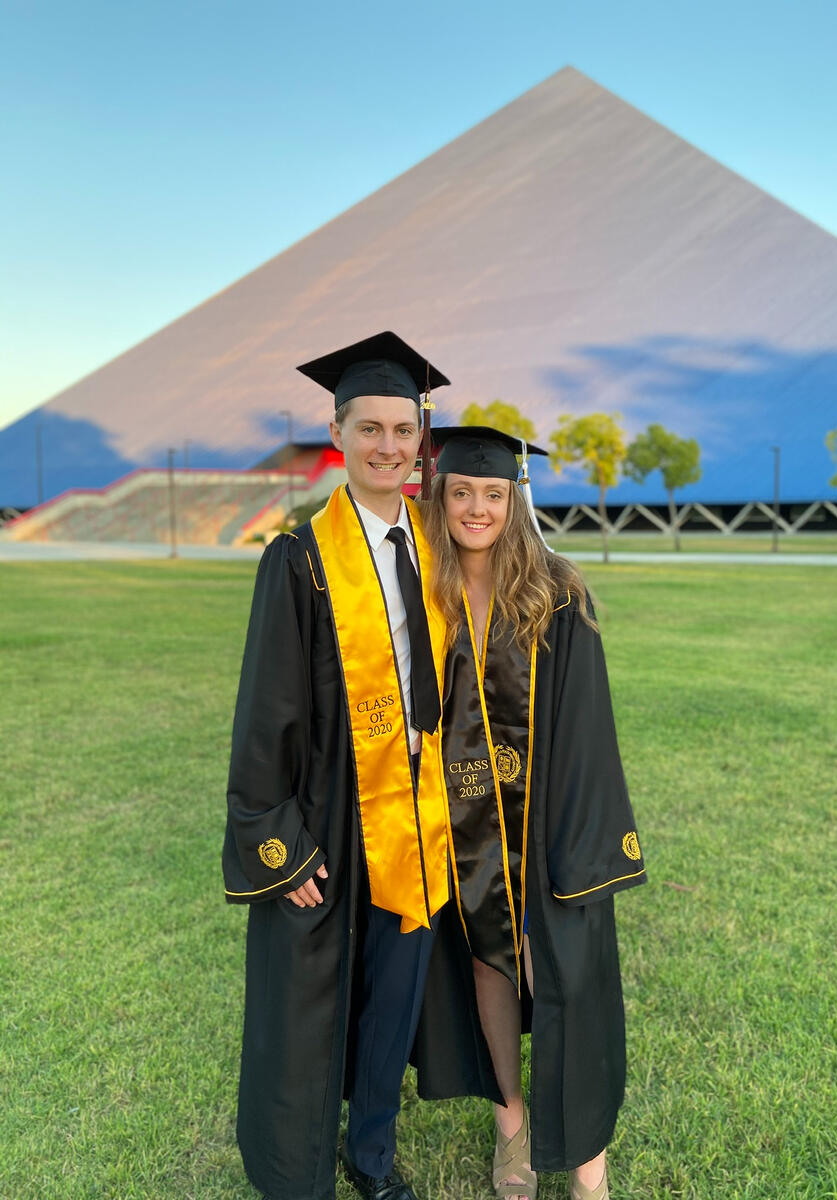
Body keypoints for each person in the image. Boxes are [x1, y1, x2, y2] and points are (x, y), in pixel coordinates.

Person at [222, 332, 455, 1200]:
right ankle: (297, 1168)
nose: (389, 447)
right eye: (371, 429)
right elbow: (264, 712)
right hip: (329, 811)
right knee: (311, 1000)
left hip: (416, 810)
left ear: (419, 437)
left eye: (404, 429)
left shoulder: (431, 546)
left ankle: (373, 1158)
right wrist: (276, 836)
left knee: (393, 997)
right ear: (339, 431)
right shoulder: (300, 559)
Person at [417, 426, 646, 1200]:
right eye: (462, 492)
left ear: (515, 500)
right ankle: (510, 1124)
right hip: (465, 831)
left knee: (564, 979)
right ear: (439, 496)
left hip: (546, 829)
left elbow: (588, 731)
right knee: (487, 963)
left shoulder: (557, 592)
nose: (476, 508)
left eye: (492, 494)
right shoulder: (426, 595)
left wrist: (575, 844)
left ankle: (588, 1163)